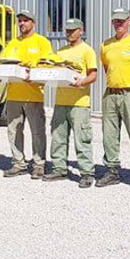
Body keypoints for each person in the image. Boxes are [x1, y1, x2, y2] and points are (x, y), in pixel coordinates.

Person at [97, 7, 130, 192]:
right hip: (111, 94)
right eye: (115, 21)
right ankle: (112, 170)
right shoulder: (105, 45)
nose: (118, 24)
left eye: (122, 20)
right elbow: (107, 68)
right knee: (109, 135)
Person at [43, 18, 97, 188]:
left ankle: (87, 172)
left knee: (82, 139)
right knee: (58, 137)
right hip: (61, 101)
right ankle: (59, 168)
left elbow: (93, 75)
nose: (69, 33)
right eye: (67, 30)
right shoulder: (60, 52)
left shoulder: (87, 51)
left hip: (80, 103)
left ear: (81, 31)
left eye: (73, 30)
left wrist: (81, 82)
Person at [1, 10, 53, 179]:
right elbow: (3, 63)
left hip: (33, 95)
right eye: (20, 21)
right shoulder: (12, 44)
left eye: (25, 20)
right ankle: (18, 163)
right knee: (14, 131)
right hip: (13, 95)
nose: (22, 23)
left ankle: (39, 164)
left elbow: (48, 65)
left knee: (37, 131)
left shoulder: (42, 42)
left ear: (33, 23)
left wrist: (34, 74)